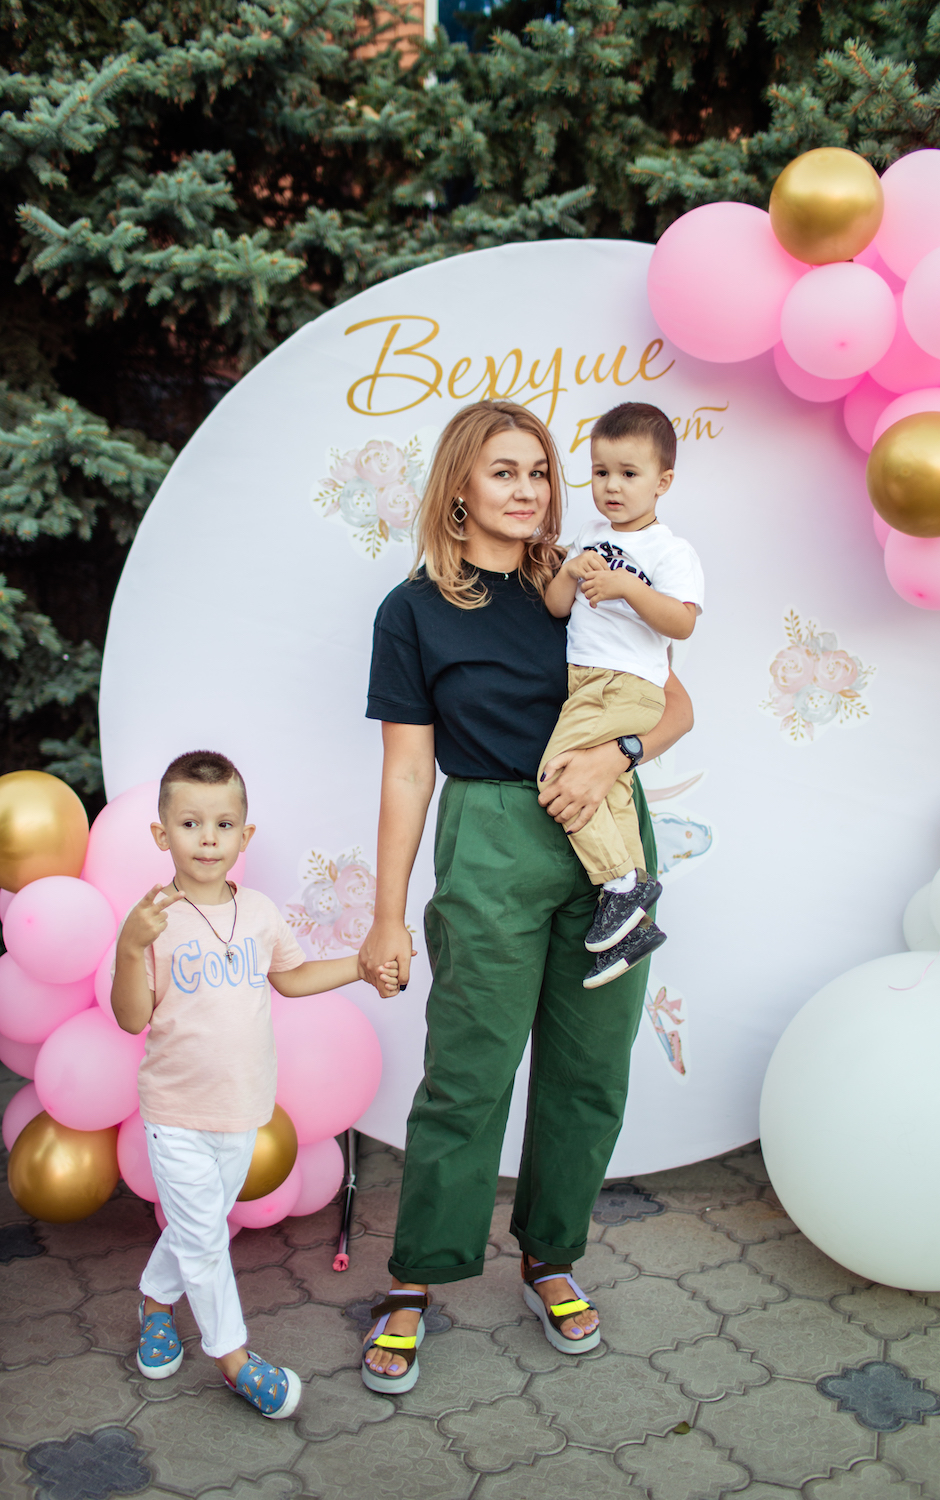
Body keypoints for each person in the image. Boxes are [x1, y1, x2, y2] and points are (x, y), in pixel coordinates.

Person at [357, 399, 694, 1394]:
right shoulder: (412, 612)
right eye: (504, 471)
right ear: (459, 486)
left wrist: (615, 755)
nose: (528, 490)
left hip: (607, 835)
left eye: (540, 471)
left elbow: (674, 703)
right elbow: (407, 773)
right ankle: (419, 1272)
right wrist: (386, 915)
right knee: (469, 1069)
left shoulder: (584, 578)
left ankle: (550, 1256)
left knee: (589, 1070)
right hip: (493, 838)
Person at [111, 749, 397, 1419]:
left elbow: (291, 979)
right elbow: (130, 1018)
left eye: (223, 824)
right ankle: (234, 1358)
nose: (207, 839)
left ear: (246, 835)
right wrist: (129, 946)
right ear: (161, 834)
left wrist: (359, 966)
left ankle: (155, 1301)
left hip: (243, 1111)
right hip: (175, 1112)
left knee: (201, 1224)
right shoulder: (153, 920)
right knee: (206, 1237)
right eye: (189, 823)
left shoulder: (262, 913)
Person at [541, 401, 704, 988]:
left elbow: (682, 623)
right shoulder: (588, 536)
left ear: (663, 482)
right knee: (608, 789)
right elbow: (558, 608)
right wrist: (569, 571)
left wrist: (630, 587)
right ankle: (634, 926)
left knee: (558, 775)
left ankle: (620, 884)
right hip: (586, 681)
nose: (612, 486)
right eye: (601, 472)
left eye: (629, 474)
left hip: (625, 683)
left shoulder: (669, 551)